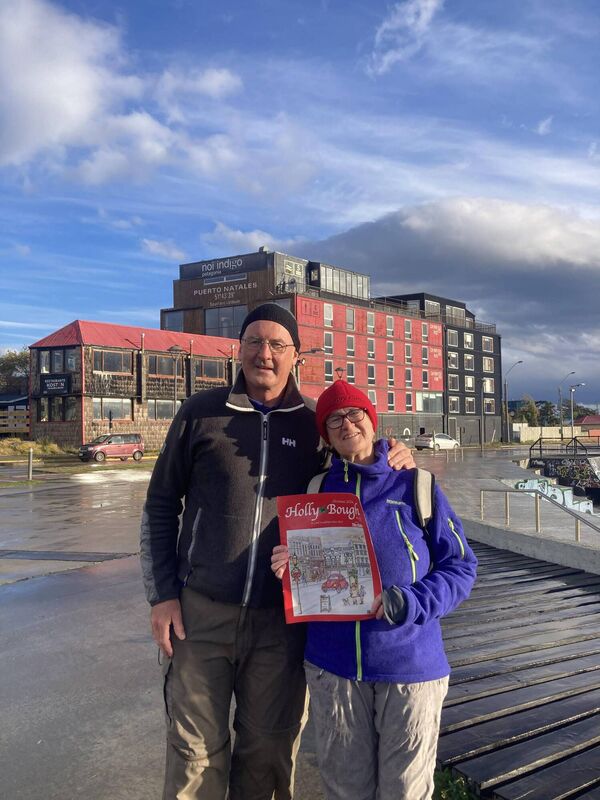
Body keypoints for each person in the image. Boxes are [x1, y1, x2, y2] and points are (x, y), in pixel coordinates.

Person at [140, 303, 416, 800]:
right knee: (194, 753)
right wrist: (162, 595)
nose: (263, 354)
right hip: (201, 613)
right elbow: (161, 505)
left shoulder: (316, 423)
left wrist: (396, 453)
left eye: (277, 344)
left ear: (295, 357)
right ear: (238, 349)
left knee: (268, 752)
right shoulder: (200, 414)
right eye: (253, 342)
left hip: (282, 622)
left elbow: (360, 457)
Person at [271, 380, 477, 800]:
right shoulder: (314, 492)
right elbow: (308, 579)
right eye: (333, 419)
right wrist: (290, 567)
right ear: (325, 435)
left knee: (405, 791)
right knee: (345, 790)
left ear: (371, 419)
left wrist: (414, 601)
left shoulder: (416, 485)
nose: (346, 424)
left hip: (411, 667)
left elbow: (461, 566)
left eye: (354, 414)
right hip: (334, 668)